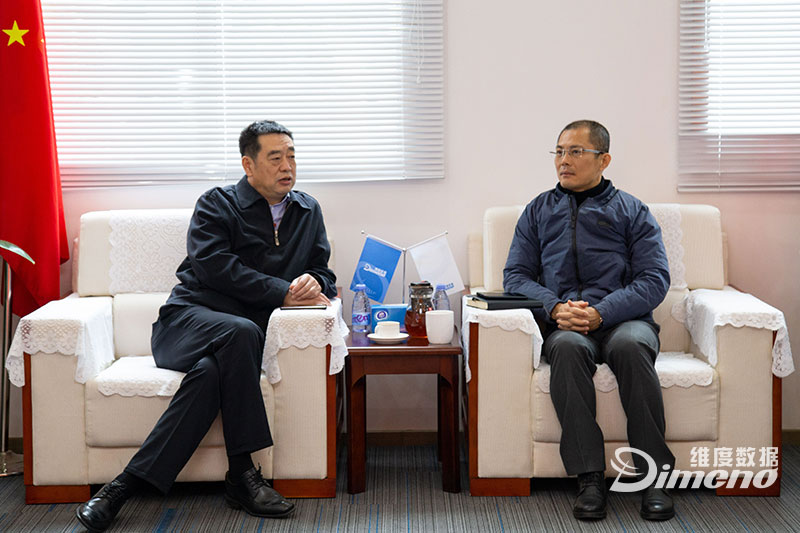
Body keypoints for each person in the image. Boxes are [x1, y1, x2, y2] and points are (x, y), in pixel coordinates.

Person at [77, 120, 337, 532]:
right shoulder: (217, 204)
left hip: (236, 348)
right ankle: (243, 473)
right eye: (275, 157)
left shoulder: (307, 211)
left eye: (291, 155)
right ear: (248, 165)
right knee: (242, 331)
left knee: (212, 374)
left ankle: (119, 489)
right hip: (185, 325)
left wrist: (313, 282)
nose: (287, 165)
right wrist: (281, 292)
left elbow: (323, 270)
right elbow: (215, 267)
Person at [503, 120, 675, 521]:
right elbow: (515, 276)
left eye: (576, 151)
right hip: (563, 322)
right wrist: (554, 308)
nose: (564, 160)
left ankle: (653, 478)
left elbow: (654, 278)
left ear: (604, 160)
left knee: (631, 346)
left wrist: (603, 312)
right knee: (565, 348)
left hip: (624, 320)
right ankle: (590, 478)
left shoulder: (632, 210)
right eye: (560, 151)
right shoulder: (538, 211)